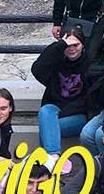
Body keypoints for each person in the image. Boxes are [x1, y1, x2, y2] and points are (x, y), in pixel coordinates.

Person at [32, 28, 91, 157]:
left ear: (83, 45)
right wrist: (59, 45)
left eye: (76, 45)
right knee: (46, 111)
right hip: (55, 109)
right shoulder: (56, 61)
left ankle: (49, 161)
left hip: (79, 115)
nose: (72, 49)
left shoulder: (90, 64)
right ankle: (54, 156)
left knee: (47, 128)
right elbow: (37, 69)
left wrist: (64, 113)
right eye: (68, 45)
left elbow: (90, 99)